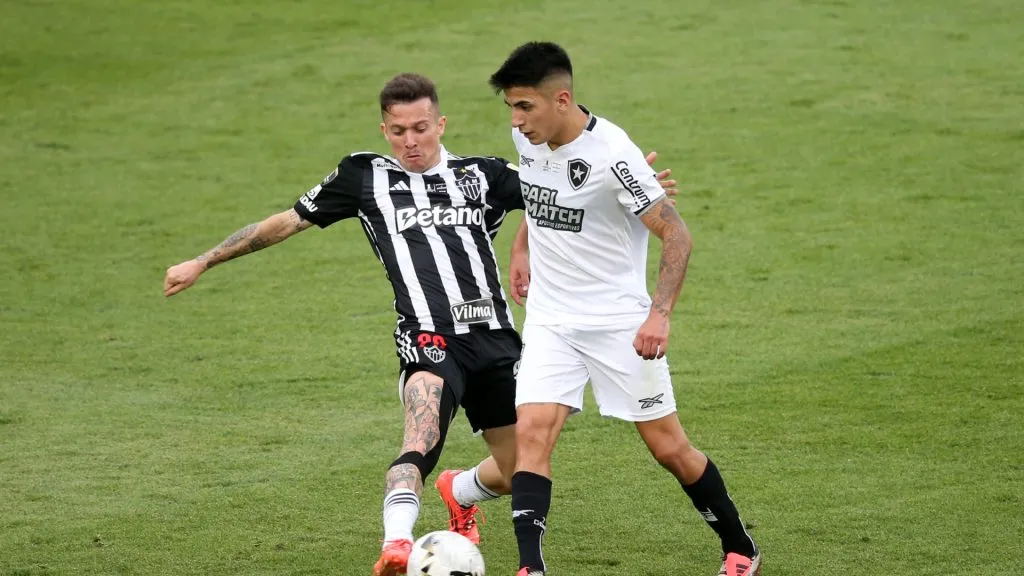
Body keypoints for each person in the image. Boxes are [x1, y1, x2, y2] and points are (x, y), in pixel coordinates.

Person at [164, 72, 675, 576]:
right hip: (428, 338)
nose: (411, 141)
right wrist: (204, 261)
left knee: (522, 469)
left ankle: (462, 489)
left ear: (441, 124)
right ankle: (398, 546)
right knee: (420, 436)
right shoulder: (364, 177)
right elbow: (287, 221)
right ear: (385, 131)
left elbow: (558, 201)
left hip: (497, 340)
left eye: (421, 128)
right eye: (399, 131)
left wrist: (627, 184)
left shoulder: (483, 174)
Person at [488, 42, 762, 576]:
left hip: (617, 321)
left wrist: (659, 314)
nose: (517, 121)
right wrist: (521, 248)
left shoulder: (614, 154)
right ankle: (529, 568)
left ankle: (740, 547)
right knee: (533, 434)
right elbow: (542, 194)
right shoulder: (529, 137)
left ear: (562, 99)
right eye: (511, 109)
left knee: (668, 447)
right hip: (550, 318)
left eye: (525, 107)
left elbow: (676, 234)